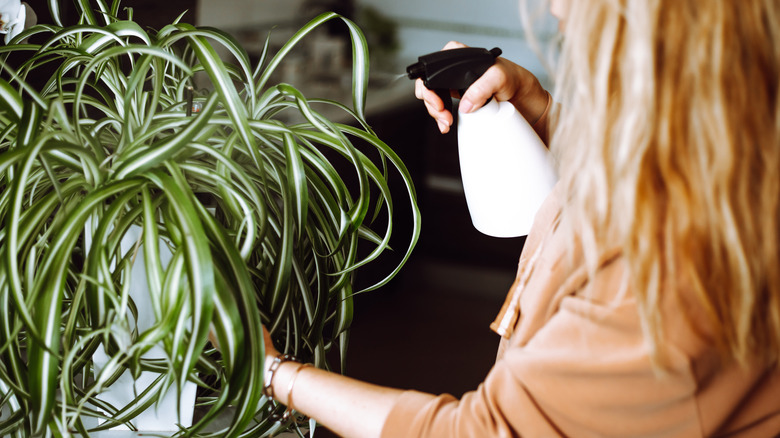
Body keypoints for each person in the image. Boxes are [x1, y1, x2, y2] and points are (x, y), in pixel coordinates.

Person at [259, 0, 780, 436]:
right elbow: (633, 180)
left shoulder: (670, 273)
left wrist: (270, 369)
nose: (556, 7)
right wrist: (541, 110)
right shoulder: (726, 136)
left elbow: (478, 433)